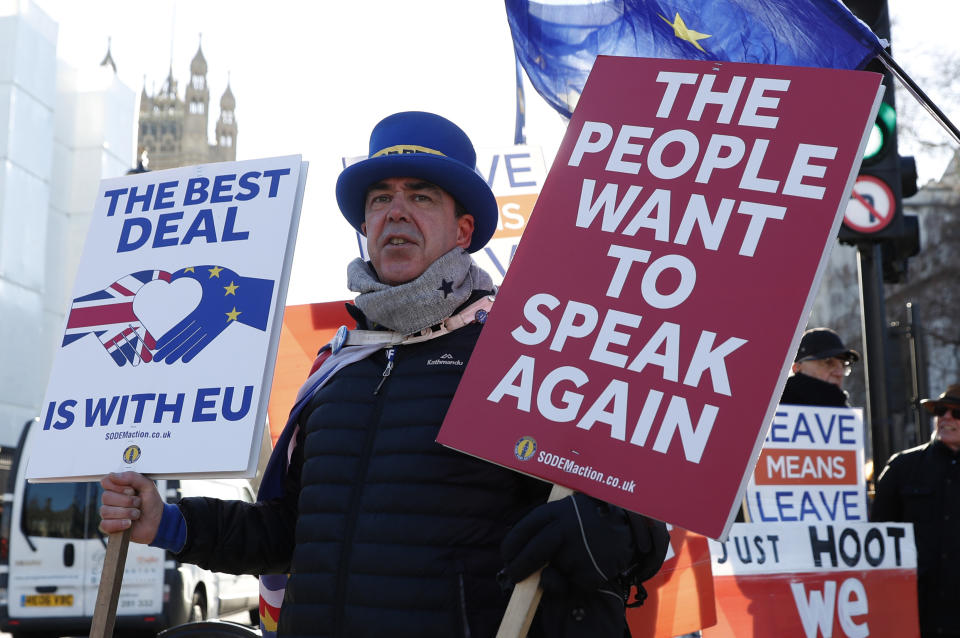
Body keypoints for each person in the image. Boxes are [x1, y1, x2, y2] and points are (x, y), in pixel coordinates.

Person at [99, 111, 668, 638]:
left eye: (420, 196)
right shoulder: (334, 371)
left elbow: (636, 522)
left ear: (464, 229)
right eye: (379, 199)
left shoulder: (521, 354)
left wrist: (606, 532)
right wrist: (169, 523)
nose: (395, 212)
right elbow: (291, 534)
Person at [872, 383, 960, 638]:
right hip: (915, 612)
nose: (946, 418)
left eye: (957, 413)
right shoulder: (902, 467)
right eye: (941, 411)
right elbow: (879, 536)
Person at [780, 327, 859, 407]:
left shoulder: (845, 413)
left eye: (843, 364)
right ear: (797, 368)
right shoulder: (772, 411)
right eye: (828, 362)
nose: (839, 373)